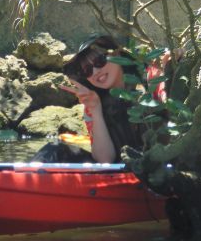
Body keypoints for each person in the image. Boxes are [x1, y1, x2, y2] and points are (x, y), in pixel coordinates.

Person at [60, 35, 147, 163]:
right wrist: (95, 109)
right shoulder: (93, 104)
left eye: (99, 61)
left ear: (117, 55)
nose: (95, 72)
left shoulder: (150, 82)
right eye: (87, 70)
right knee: (55, 149)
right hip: (121, 172)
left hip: (159, 172)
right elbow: (104, 160)